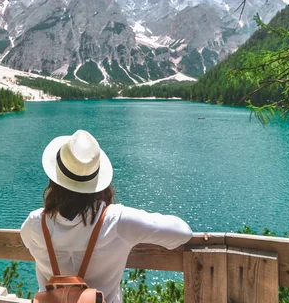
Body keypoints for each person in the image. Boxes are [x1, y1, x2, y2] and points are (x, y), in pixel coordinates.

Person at [21, 130, 193, 303]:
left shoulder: (35, 223)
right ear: (97, 180)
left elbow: (27, 242)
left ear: (54, 179)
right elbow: (183, 233)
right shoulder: (117, 221)